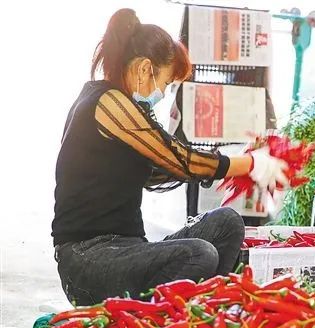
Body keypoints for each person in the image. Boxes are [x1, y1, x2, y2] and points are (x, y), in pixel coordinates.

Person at [52, 9, 288, 305]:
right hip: (87, 259)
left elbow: (161, 171)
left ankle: (203, 314)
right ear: (143, 69)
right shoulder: (108, 102)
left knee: (227, 222)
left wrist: (234, 164)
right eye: (164, 83)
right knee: (200, 254)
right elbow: (177, 158)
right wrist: (248, 164)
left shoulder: (122, 106)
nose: (162, 93)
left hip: (126, 250)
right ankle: (170, 321)